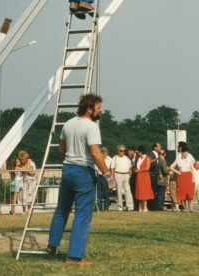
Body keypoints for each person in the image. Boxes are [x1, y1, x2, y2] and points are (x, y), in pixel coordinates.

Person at [46, 93, 115, 266]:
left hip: (68, 169)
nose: (101, 111)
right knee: (82, 215)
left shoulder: (68, 124)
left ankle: (52, 245)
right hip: (83, 172)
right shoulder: (91, 127)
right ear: (90, 109)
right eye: (99, 108)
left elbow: (61, 149)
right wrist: (108, 176)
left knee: (61, 210)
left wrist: (67, 164)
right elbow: (95, 153)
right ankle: (74, 257)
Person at [170, 147, 195, 212]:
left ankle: (191, 208)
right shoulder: (178, 160)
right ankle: (185, 208)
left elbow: (192, 169)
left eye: (187, 152)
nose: (187, 154)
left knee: (190, 192)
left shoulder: (190, 159)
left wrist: (193, 177)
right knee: (182, 192)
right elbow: (171, 167)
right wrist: (178, 172)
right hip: (181, 176)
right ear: (182, 153)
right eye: (186, 152)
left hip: (189, 175)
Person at [110, 145, 134, 211]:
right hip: (118, 174)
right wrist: (112, 177)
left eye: (124, 151)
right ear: (118, 151)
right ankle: (120, 207)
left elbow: (130, 168)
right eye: (121, 151)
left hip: (126, 175)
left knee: (128, 191)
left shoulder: (127, 158)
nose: (122, 152)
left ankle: (129, 206)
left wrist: (130, 175)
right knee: (119, 191)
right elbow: (112, 168)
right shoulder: (115, 158)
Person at [134, 145, 154, 212]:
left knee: (144, 191)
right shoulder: (138, 159)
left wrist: (138, 171)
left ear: (141, 152)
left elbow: (147, 168)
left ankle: (145, 207)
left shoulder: (148, 158)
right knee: (140, 190)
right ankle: (142, 207)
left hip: (145, 176)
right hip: (139, 176)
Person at [95, 147, 112, 211]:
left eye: (103, 153)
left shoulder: (110, 160)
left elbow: (111, 169)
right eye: (101, 152)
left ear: (107, 153)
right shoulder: (98, 159)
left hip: (106, 177)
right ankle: (99, 208)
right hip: (98, 176)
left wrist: (111, 178)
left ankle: (106, 208)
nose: (102, 154)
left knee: (106, 193)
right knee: (98, 194)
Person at [148, 142, 161, 211]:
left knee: (155, 190)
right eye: (159, 146)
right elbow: (149, 161)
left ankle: (155, 206)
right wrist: (157, 159)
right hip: (152, 174)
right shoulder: (151, 154)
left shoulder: (157, 154)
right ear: (155, 148)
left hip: (156, 174)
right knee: (153, 190)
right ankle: (152, 206)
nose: (160, 147)